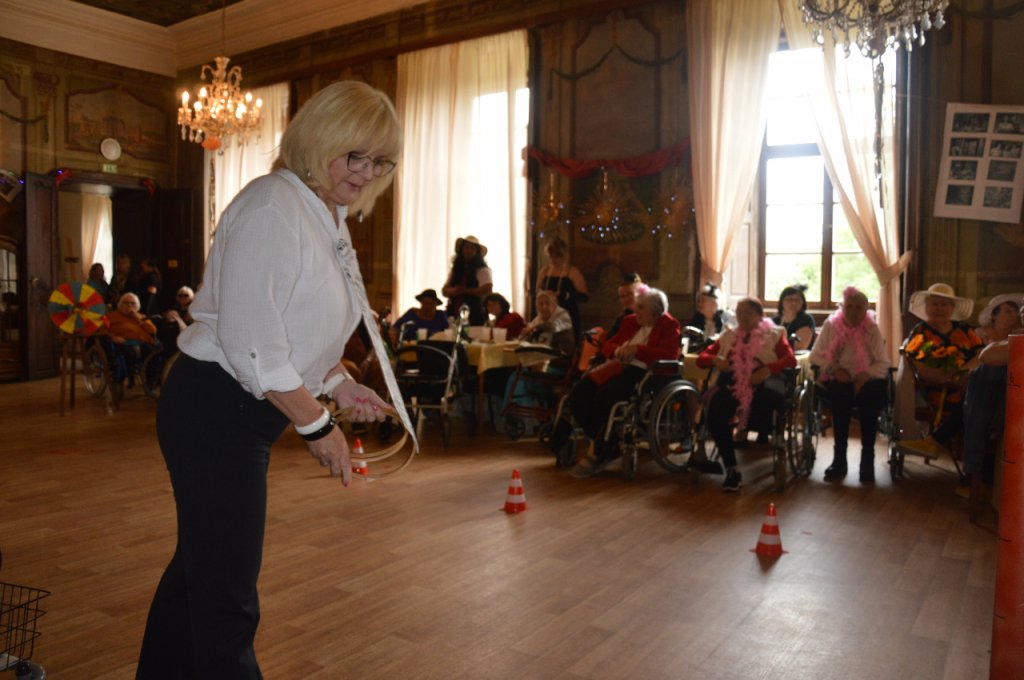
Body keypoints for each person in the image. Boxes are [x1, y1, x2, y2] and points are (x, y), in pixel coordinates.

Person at [137, 81, 415, 678]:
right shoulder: (273, 206)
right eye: (355, 155)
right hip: (216, 407)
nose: (366, 172)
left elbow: (300, 326)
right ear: (320, 139)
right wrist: (318, 426)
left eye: (380, 161)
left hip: (240, 409)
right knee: (227, 595)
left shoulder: (325, 213)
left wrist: (339, 383)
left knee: (201, 572)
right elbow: (253, 341)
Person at [567, 287, 681, 478]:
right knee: (578, 394)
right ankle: (605, 442)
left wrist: (638, 350)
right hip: (617, 366)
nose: (636, 311)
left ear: (656, 312)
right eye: (637, 307)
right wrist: (618, 350)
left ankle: (599, 450)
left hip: (644, 373)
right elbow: (608, 344)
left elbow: (669, 355)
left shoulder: (669, 325)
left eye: (641, 308)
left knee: (604, 398)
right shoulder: (630, 321)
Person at [697, 297, 796, 492]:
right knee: (715, 411)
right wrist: (716, 360)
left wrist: (767, 369)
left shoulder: (775, 334)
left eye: (747, 312)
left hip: (764, 384)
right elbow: (702, 358)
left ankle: (754, 433)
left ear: (760, 315)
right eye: (739, 312)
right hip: (732, 384)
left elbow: (790, 359)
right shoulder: (729, 336)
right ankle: (731, 468)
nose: (742, 316)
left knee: (760, 407)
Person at [809, 286, 890, 483]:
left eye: (858, 307)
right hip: (838, 376)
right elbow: (815, 356)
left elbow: (883, 363)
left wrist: (865, 375)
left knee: (869, 399)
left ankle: (867, 461)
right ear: (842, 307)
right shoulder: (831, 325)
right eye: (849, 307)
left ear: (866, 309)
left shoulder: (871, 329)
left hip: (867, 378)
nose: (853, 312)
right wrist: (834, 368)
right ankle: (839, 460)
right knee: (841, 395)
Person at [898, 283, 983, 461]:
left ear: (952, 308)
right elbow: (913, 362)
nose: (939, 309)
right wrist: (944, 377)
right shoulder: (920, 331)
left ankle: (934, 442)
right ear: (926, 308)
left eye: (944, 304)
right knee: (973, 405)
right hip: (931, 389)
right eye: (935, 304)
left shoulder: (965, 330)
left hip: (965, 386)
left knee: (974, 401)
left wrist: (962, 373)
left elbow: (981, 355)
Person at [960, 292, 1023, 497]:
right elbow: (980, 358)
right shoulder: (982, 335)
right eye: (1008, 311)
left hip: (998, 396)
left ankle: (974, 469)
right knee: (985, 373)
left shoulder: (1017, 335)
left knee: (988, 374)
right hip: (985, 389)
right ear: (994, 315)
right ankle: (992, 428)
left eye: (1015, 311)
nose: (1014, 314)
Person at [536, 236, 589, 341]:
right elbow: (537, 292)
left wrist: (565, 295)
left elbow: (584, 297)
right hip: (547, 316)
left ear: (564, 256)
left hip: (567, 316)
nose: (553, 260)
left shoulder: (573, 272)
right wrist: (545, 294)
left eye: (557, 257)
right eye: (551, 257)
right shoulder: (544, 271)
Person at [105, 292, 160, 383]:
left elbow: (153, 330)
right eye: (126, 303)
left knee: (154, 354)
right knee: (129, 354)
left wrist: (139, 318)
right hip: (122, 343)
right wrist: (112, 337)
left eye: (132, 303)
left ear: (137, 306)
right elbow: (103, 330)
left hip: (142, 343)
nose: (129, 305)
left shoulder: (141, 316)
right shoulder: (111, 316)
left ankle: (150, 382)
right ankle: (126, 378)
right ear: (120, 304)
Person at [442, 235, 492, 325]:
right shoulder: (456, 270)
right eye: (466, 247)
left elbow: (487, 289)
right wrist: (454, 291)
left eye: (472, 248)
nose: (469, 250)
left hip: (475, 312)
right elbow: (445, 290)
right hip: (454, 311)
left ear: (476, 252)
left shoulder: (482, 269)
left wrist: (465, 291)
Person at [520, 289, 574, 356]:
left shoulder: (563, 315)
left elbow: (554, 327)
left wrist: (533, 328)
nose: (544, 307)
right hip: (542, 354)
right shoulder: (540, 317)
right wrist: (525, 334)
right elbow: (529, 331)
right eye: (541, 304)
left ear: (554, 305)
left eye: (547, 303)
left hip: (561, 355)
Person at [688, 282, 734, 351]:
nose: (699, 304)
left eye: (703, 301)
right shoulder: (696, 319)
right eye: (699, 301)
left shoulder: (724, 319)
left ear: (714, 303)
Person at [772, 283, 816, 351]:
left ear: (803, 303)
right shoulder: (775, 320)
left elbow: (799, 347)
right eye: (789, 299)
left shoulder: (805, 320)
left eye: (797, 300)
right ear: (782, 302)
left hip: (797, 356)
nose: (793, 303)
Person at [158, 286, 195, 354]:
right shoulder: (175, 307)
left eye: (186, 295)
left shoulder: (193, 309)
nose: (183, 297)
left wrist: (178, 319)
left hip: (188, 333)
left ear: (191, 296)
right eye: (180, 295)